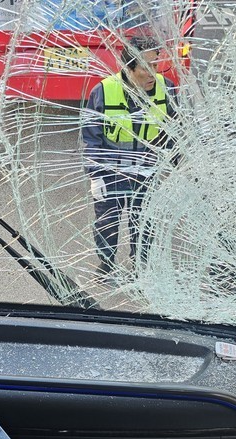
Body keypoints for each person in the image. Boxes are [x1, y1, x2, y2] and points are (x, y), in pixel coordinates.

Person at [81, 36, 176, 275]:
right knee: (107, 222)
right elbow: (92, 137)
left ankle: (141, 266)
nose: (153, 73)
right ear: (128, 68)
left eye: (155, 64)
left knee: (144, 223)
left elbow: (175, 131)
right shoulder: (103, 91)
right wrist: (95, 175)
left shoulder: (167, 89)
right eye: (146, 67)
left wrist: (174, 167)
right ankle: (106, 263)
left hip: (147, 171)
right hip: (111, 171)